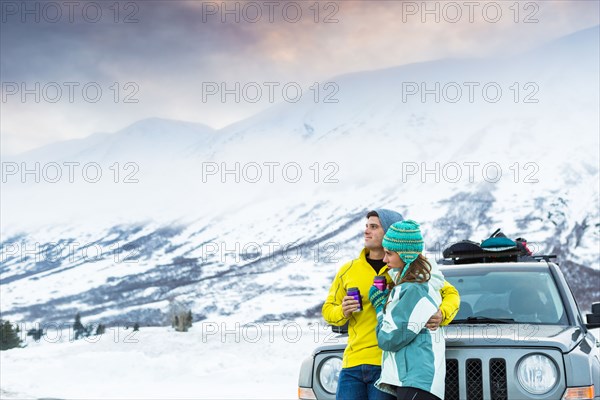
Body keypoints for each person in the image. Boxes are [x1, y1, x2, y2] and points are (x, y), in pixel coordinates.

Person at [322, 210, 459, 400]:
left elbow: (450, 293)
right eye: (366, 226)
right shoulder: (348, 270)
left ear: (389, 232)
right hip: (352, 363)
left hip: (388, 366)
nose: (366, 231)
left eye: (374, 226)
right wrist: (342, 311)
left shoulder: (411, 269)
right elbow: (328, 310)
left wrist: (442, 314)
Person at [369, 220, 445, 400]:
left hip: (417, 381)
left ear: (406, 255)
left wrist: (380, 307)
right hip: (414, 381)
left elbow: (389, 339)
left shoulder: (414, 289)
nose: (384, 259)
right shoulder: (412, 286)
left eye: (389, 254)